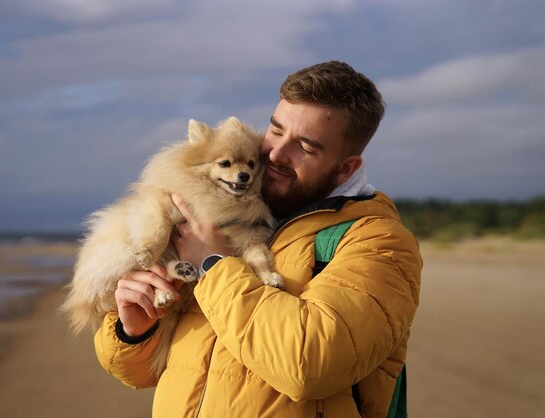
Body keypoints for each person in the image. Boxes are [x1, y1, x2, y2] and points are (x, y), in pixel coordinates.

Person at [94, 61, 422, 417]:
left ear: (346, 168)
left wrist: (213, 263)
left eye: (305, 147)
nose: (277, 154)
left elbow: (308, 366)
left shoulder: (378, 243)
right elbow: (143, 373)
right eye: (276, 130)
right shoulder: (237, 210)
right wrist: (136, 331)